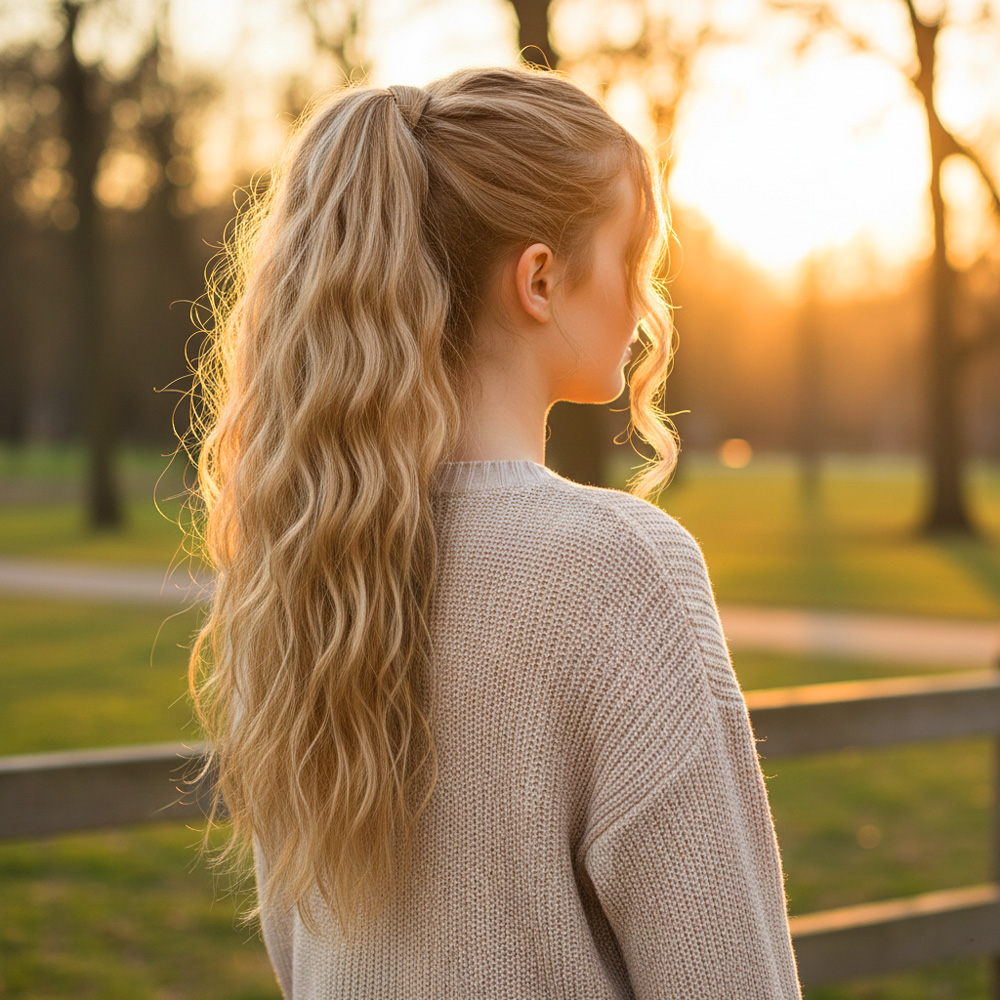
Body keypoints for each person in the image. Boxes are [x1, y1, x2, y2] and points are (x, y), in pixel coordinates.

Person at [184, 64, 803, 999]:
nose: (646, 304)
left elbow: (300, 953)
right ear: (541, 279)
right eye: (634, 257)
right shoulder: (617, 570)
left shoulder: (307, 565)